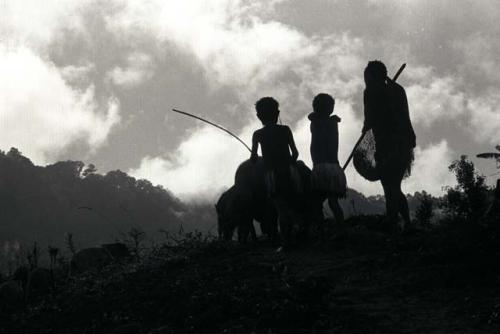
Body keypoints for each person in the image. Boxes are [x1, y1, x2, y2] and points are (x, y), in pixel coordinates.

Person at [362, 60, 416, 228]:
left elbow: (369, 119)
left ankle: (393, 221)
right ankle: (405, 222)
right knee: (392, 186)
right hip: (399, 143)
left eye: (367, 77)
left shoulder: (373, 92)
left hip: (392, 144)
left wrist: (366, 127)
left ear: (374, 76)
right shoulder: (396, 90)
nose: (365, 80)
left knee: (390, 185)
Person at [251, 97, 299, 246]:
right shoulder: (285, 130)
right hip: (290, 173)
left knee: (281, 209)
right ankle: (297, 235)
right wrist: (289, 163)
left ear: (259, 116)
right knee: (292, 205)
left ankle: (286, 243)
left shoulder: (257, 134)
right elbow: (295, 154)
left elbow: (253, 159)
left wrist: (257, 158)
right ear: (277, 113)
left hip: (273, 176)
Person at [308, 93, 346, 228]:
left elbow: (311, 116)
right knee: (333, 202)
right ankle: (342, 230)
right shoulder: (332, 122)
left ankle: (322, 233)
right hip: (333, 167)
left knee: (316, 203)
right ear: (330, 109)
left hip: (321, 167)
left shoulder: (316, 121)